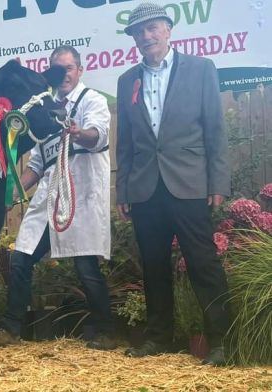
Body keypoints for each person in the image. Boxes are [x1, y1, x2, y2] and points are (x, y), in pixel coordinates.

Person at [0, 45, 114, 351]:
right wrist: (12, 191)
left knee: (85, 266)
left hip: (81, 198)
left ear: (79, 70)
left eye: (68, 68)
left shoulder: (92, 101)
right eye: (57, 68)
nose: (63, 74)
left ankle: (106, 331)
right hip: (49, 199)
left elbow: (98, 135)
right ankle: (10, 329)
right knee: (21, 258)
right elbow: (36, 165)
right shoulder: (46, 108)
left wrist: (79, 132)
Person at [116, 3, 230, 366]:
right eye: (138, 32)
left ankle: (220, 342)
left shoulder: (200, 69)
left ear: (168, 29)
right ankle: (159, 338)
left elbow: (215, 129)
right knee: (153, 266)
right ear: (133, 38)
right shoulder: (126, 80)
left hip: (190, 182)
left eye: (152, 28)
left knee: (203, 264)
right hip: (145, 187)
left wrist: (218, 181)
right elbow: (127, 142)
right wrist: (123, 189)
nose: (145, 36)